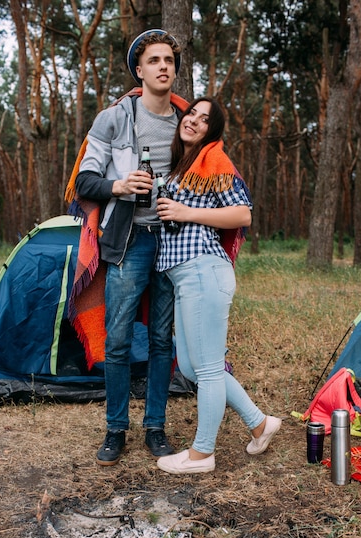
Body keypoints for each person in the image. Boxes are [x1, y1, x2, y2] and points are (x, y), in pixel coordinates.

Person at [74, 30, 188, 466]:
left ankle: (155, 428)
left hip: (173, 241)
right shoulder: (113, 119)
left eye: (169, 61)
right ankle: (115, 429)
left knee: (162, 339)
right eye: (153, 60)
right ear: (139, 71)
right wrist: (120, 185)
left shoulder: (186, 122)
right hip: (129, 242)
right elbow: (85, 180)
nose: (163, 66)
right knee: (118, 339)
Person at [154, 97, 282, 474]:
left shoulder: (216, 160)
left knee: (207, 370)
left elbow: (243, 214)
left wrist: (185, 211)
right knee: (194, 370)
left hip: (203, 271)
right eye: (191, 112)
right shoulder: (184, 165)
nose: (193, 120)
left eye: (204, 119)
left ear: (213, 130)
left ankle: (202, 454)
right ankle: (260, 423)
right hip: (185, 275)